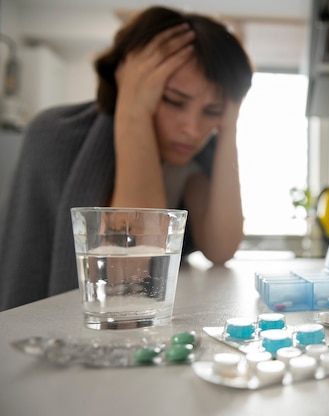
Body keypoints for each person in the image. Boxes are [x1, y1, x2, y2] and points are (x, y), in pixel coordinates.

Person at [0, 6, 254, 311]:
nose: (193, 128)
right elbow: (127, 276)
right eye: (173, 100)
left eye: (213, 111)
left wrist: (229, 129)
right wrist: (132, 107)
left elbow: (221, 248)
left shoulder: (196, 161)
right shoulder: (53, 133)